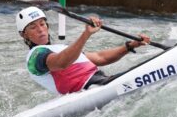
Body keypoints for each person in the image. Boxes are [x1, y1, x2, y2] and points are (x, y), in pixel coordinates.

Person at [16, 6, 150, 95]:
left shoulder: (61, 48)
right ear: (24, 35)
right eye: (33, 27)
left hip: (101, 81)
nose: (40, 29)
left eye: (42, 24)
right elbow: (62, 62)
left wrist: (130, 46)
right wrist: (86, 34)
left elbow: (100, 57)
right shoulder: (35, 57)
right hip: (89, 89)